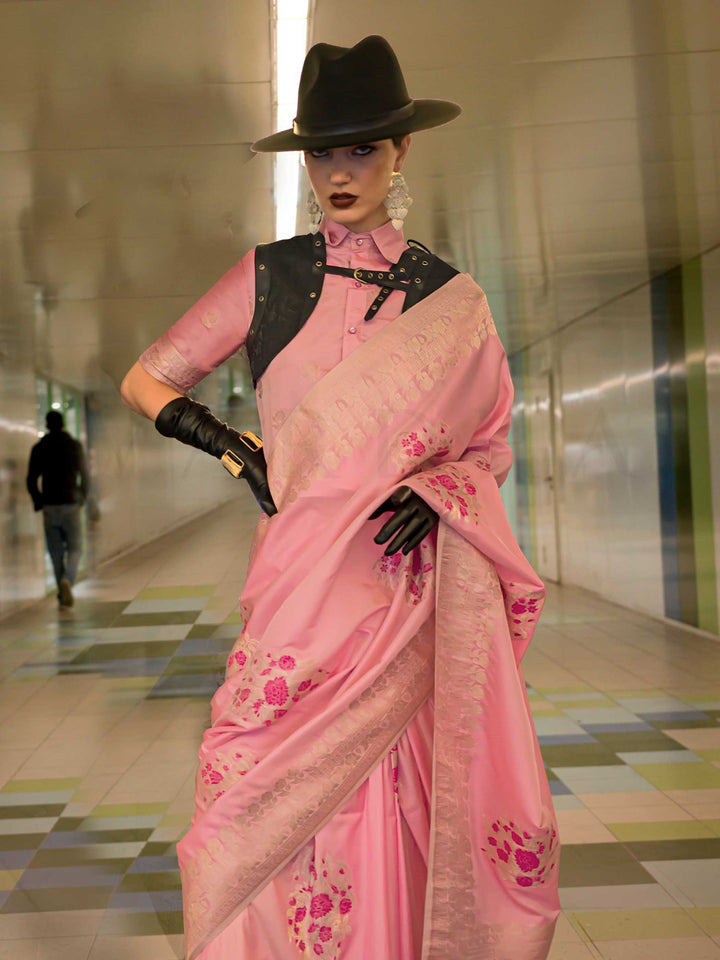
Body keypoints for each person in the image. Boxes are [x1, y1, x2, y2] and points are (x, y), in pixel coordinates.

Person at [121, 35, 560, 960]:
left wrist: (445, 490)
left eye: (362, 148)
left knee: (395, 795)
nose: (341, 170)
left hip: (401, 601)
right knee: (249, 784)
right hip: (297, 593)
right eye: (325, 150)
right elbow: (148, 378)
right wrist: (231, 447)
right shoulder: (269, 277)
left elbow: (488, 448)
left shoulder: (455, 303)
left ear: (404, 152)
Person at [26, 410, 89, 607]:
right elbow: (85, 476)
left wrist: (38, 501)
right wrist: (81, 498)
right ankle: (67, 581)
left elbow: (31, 479)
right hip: (70, 503)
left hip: (50, 506)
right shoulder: (74, 446)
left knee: (55, 552)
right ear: (62, 425)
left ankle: (62, 594)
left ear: (46, 425)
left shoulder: (39, 448)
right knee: (76, 548)